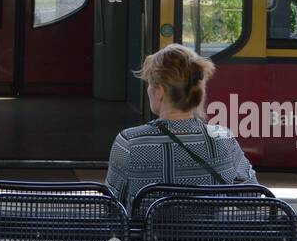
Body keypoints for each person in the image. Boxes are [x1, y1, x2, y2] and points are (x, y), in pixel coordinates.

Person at [105, 44, 257, 207]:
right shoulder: (223, 139)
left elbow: (112, 207)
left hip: (151, 232)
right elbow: (253, 194)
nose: (148, 89)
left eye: (150, 83)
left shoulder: (130, 142)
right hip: (208, 233)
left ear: (160, 91)